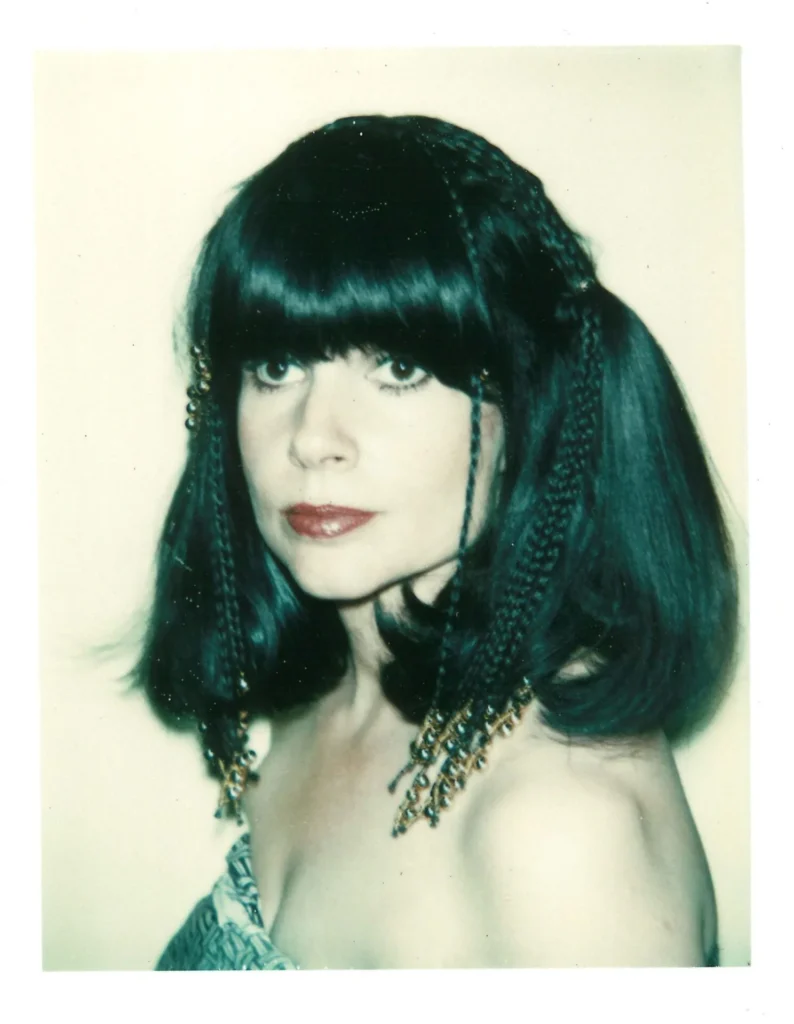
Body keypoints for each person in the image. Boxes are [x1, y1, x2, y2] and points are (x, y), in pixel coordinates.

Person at [142, 114, 738, 969]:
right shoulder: (332, 701)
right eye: (277, 366)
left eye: (398, 369)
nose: (313, 437)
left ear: (524, 404)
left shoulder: (565, 833)